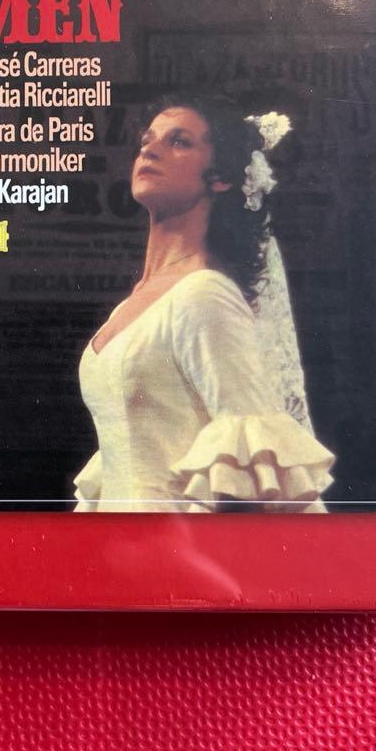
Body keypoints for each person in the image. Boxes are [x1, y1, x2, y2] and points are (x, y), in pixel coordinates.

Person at [73, 95, 335, 513]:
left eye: (179, 141)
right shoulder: (131, 305)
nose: (150, 150)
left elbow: (249, 483)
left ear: (221, 178)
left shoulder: (204, 294)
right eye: (147, 140)